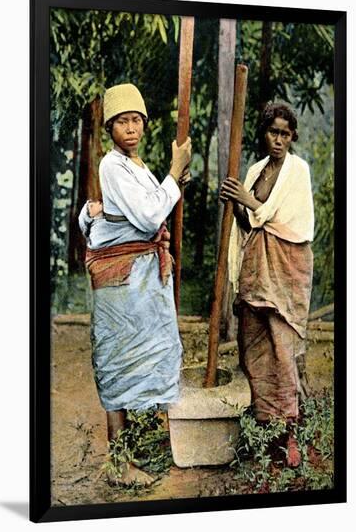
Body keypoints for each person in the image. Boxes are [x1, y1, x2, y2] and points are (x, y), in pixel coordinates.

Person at [78, 83, 191, 486]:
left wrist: (171, 184)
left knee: (153, 355)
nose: (130, 128)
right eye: (122, 121)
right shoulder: (112, 166)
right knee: (118, 364)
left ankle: (144, 445)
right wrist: (174, 174)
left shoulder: (137, 166)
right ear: (110, 128)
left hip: (142, 282)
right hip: (122, 284)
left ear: (144, 125)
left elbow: (151, 208)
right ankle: (118, 464)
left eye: (136, 120)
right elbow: (147, 218)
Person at [219, 102, 314, 467]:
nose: (278, 140)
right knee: (253, 345)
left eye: (285, 134)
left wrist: (247, 200)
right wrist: (236, 202)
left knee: (281, 346)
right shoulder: (257, 169)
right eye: (273, 132)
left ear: (293, 137)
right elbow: (250, 222)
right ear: (264, 132)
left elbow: (288, 222)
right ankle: (264, 428)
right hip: (257, 269)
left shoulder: (298, 171)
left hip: (285, 270)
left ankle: (289, 432)